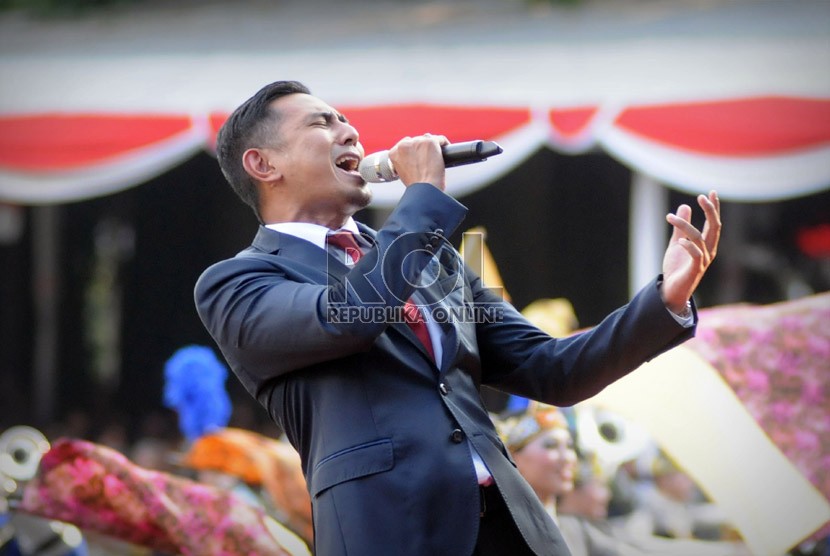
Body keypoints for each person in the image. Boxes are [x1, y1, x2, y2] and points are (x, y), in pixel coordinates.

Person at [194, 79, 721, 556]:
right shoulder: (239, 283)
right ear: (264, 164)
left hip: (512, 526)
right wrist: (422, 197)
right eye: (321, 122)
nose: (348, 131)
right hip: (391, 529)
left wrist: (666, 300)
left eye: (346, 120)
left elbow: (553, 368)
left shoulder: (435, 258)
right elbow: (348, 316)